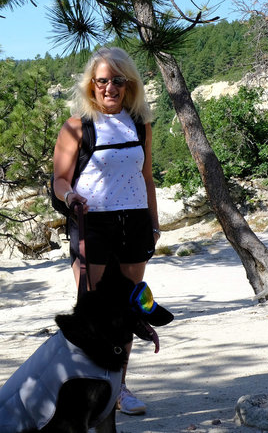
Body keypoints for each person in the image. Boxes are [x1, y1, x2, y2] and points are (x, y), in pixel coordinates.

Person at [52, 46, 161, 416]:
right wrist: (71, 198)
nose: (110, 87)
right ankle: (85, 389)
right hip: (91, 224)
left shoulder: (139, 123)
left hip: (133, 223)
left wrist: (154, 222)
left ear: (129, 85)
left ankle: (119, 388)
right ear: (91, 84)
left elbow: (146, 178)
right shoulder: (76, 126)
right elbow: (59, 180)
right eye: (102, 81)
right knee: (91, 310)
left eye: (118, 80)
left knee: (127, 308)